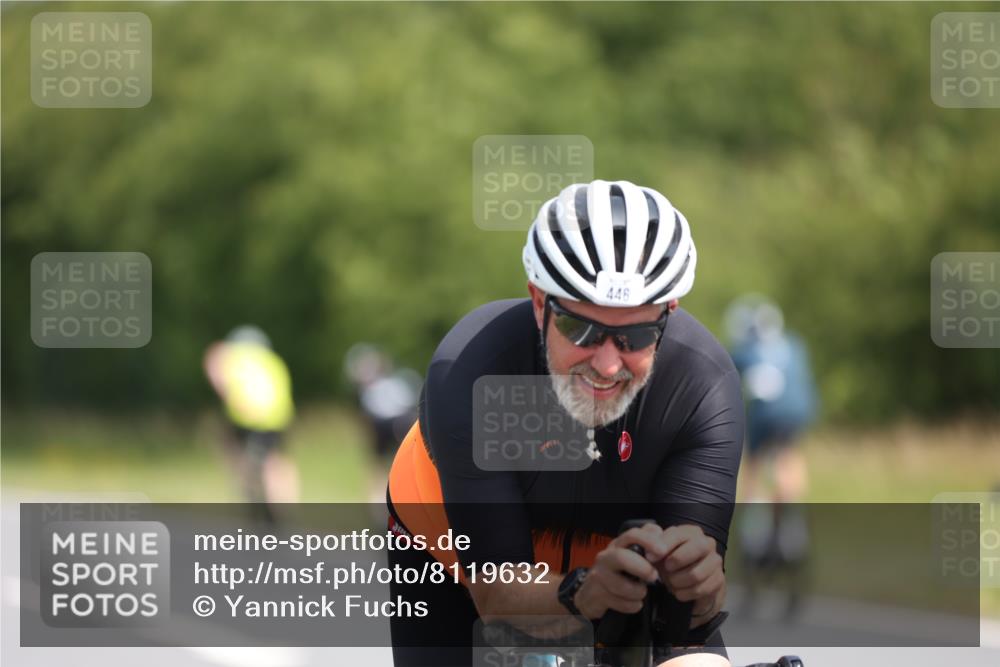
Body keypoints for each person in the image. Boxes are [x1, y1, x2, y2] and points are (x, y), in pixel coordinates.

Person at [386, 180, 745, 666]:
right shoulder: (477, 369)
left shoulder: (700, 386)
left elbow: (684, 628)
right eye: (581, 329)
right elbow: (496, 595)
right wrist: (582, 593)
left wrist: (701, 589)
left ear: (668, 313)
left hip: (614, 556)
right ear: (539, 302)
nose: (607, 364)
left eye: (636, 336)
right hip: (454, 552)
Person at [724, 296, 818, 613]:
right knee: (788, 459)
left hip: (764, 419)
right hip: (798, 415)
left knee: (751, 473)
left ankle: (754, 521)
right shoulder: (795, 344)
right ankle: (790, 509)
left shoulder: (742, 351)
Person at [203, 325, 298, 523]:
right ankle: (282, 508)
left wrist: (224, 393)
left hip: (246, 416)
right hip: (278, 418)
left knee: (242, 458)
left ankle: (255, 502)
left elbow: (213, 359)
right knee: (275, 461)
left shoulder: (234, 356)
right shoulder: (274, 361)